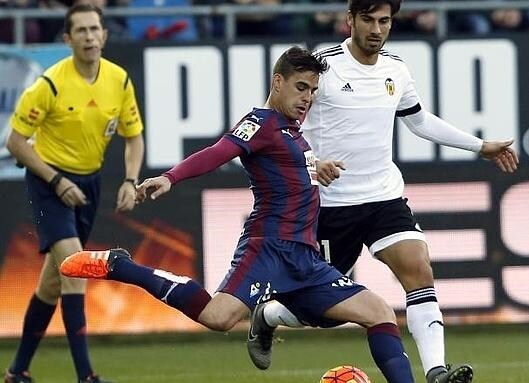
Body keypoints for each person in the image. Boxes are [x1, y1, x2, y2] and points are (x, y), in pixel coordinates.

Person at [59, 46, 417, 383]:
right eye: (301, 87)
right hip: (268, 249)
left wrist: (316, 167)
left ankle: (272, 318)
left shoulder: (294, 134)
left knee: (380, 312)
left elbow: (288, 169)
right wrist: (171, 177)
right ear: (278, 82)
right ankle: (122, 266)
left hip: (305, 259)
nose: (308, 97)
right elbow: (219, 151)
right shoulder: (260, 122)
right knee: (218, 317)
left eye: (313, 90)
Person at [246, 1, 519, 383]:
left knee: (418, 268)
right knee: (319, 311)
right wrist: (310, 164)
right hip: (330, 205)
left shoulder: (396, 69)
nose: (377, 29)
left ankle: (436, 372)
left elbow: (419, 121)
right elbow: (277, 123)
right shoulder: (324, 67)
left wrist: (479, 145)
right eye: (369, 20)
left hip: (383, 197)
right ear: (350, 21)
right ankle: (270, 315)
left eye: (385, 21)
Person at [4, 4, 144, 383]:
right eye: (80, 31)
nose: (88, 37)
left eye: (94, 29)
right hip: (50, 182)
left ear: (104, 35)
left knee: (52, 283)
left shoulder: (118, 80)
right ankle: (87, 377)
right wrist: (56, 181)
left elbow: (134, 137)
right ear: (67, 39)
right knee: (76, 268)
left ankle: (17, 372)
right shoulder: (49, 84)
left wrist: (131, 180)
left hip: (88, 183)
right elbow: (16, 142)